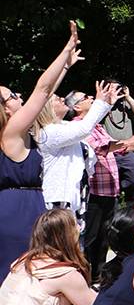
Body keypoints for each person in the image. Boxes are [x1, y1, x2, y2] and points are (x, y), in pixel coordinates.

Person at [1, 21, 82, 286]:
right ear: (5, 110)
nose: (19, 95)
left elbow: (46, 94)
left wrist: (66, 64)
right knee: (23, 277)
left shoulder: (14, 132)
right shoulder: (10, 133)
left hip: (22, 208)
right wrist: (66, 46)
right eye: (12, 95)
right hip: (19, 215)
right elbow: (42, 90)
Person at [65, 87, 134, 282]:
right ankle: (84, 278)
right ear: (77, 106)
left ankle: (98, 276)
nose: (91, 98)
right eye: (86, 97)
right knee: (90, 237)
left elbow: (114, 147)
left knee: (103, 237)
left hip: (109, 191)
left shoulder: (97, 125)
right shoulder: (78, 125)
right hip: (95, 190)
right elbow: (98, 147)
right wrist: (127, 142)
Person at [34, 81, 120, 237]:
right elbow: (84, 129)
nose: (62, 99)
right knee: (63, 245)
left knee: (76, 244)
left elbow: (86, 127)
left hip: (73, 199)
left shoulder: (65, 126)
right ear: (47, 109)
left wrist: (106, 104)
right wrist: (100, 102)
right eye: (57, 98)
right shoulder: (49, 133)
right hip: (57, 202)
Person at [102, 80, 134, 204]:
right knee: (111, 182)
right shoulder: (102, 106)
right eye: (113, 89)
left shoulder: (125, 105)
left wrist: (128, 96)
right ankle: (112, 210)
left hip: (128, 150)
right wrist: (108, 100)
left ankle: (131, 208)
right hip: (109, 151)